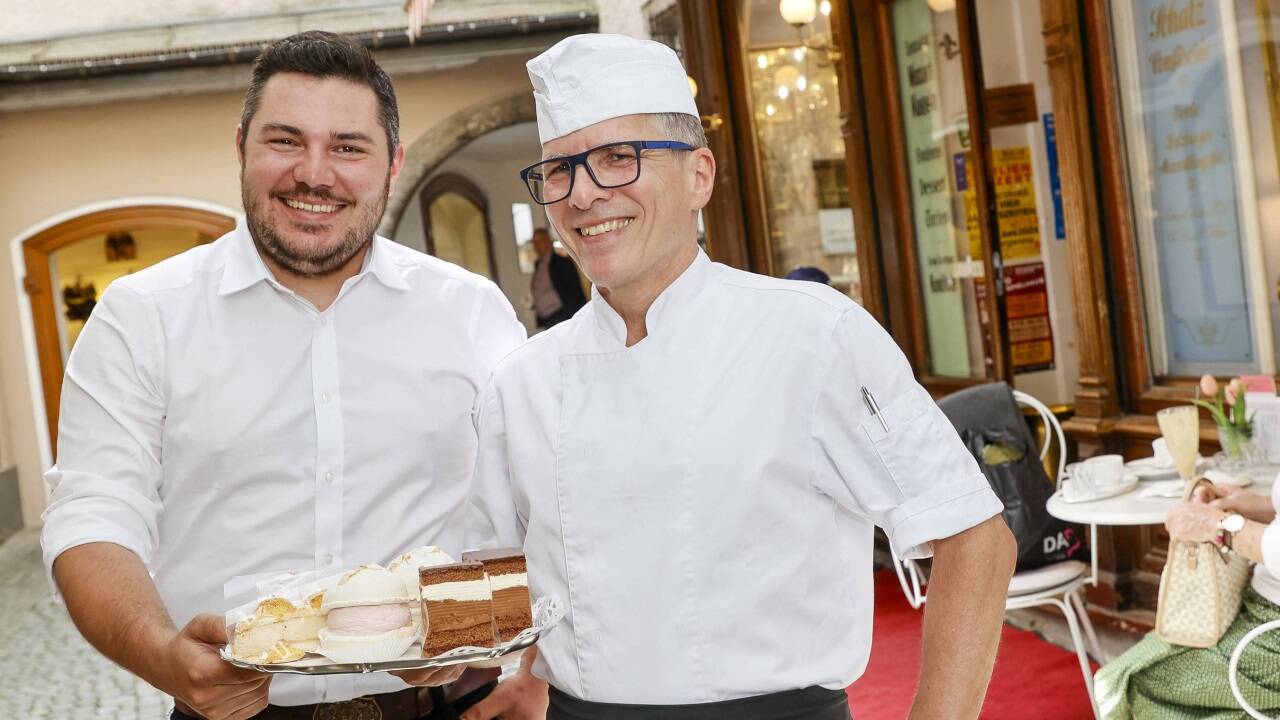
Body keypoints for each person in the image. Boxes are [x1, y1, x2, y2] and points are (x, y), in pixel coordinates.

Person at [466, 33, 1017, 720]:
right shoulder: (519, 382)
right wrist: (529, 673)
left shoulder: (812, 336)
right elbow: (514, 570)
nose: (582, 194)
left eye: (617, 158)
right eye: (558, 171)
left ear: (700, 175)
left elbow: (973, 537)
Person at [39, 31, 537, 720]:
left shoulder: (469, 312)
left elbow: (544, 499)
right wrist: (163, 654)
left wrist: (535, 674)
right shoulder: (141, 318)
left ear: (392, 163)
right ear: (241, 144)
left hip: (439, 707)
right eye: (284, 141)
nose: (314, 173)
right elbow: (93, 520)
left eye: (347, 147)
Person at [1096, 479, 1280, 718]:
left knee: (1132, 680)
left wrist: (1217, 526)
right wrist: (1262, 505)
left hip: (1270, 631)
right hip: (1260, 608)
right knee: (1149, 654)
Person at [530, 227, 587, 329]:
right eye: (534, 242)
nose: (536, 246)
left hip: (563, 318)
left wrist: (575, 319)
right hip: (547, 321)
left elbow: (575, 292)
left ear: (548, 241)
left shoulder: (562, 263)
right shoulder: (538, 265)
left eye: (539, 241)